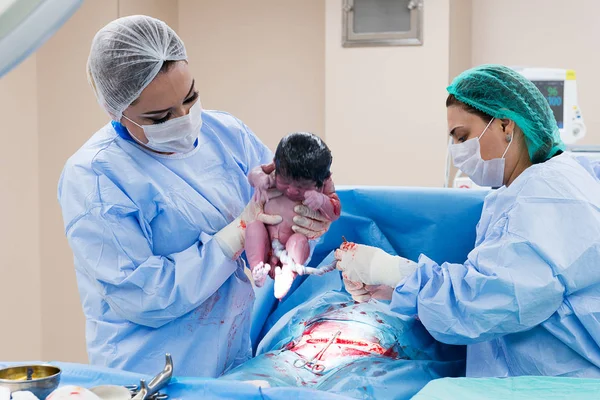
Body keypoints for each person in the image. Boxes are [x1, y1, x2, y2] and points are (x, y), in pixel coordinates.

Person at [58, 15, 330, 377]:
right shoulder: (94, 177)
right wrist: (232, 238)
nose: (185, 118)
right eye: (160, 117)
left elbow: (279, 200)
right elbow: (144, 297)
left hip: (231, 353)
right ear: (116, 111)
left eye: (190, 98)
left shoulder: (226, 133)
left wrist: (308, 215)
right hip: (152, 371)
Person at [334, 64, 600, 378]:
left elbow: (485, 303)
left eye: (463, 136)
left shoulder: (545, 197)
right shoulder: (527, 187)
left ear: (505, 126)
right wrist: (395, 289)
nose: (458, 151)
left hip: (560, 383)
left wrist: (391, 270)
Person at [220, 290, 464, 400]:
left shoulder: (417, 308)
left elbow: (442, 358)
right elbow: (278, 338)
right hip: (297, 350)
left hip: (374, 359)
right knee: (235, 389)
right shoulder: (328, 298)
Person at [247, 132, 341, 299]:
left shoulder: (325, 182)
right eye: (285, 181)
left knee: (298, 241)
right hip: (266, 234)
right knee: (253, 226)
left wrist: (322, 201)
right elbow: (254, 173)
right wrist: (259, 178)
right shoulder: (279, 166)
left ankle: (289, 272)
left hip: (294, 236)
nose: (291, 190)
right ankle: (257, 267)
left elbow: (335, 211)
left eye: (301, 187)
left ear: (322, 179)